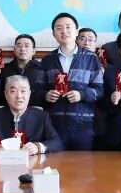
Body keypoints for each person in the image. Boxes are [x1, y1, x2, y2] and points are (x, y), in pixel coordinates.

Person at [41, 13, 104, 150]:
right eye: (59, 28)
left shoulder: (91, 58)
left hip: (83, 126)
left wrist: (82, 94)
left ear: (76, 31)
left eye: (68, 27)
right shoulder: (47, 60)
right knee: (54, 163)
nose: (64, 31)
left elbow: (99, 91)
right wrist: (46, 95)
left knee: (83, 163)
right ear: (54, 34)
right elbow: (37, 91)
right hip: (54, 126)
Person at [0, 75, 62, 154]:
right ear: (6, 95)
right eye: (13, 91)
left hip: (32, 162)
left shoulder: (42, 117)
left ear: (29, 94)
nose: (19, 96)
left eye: (23, 91)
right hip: (3, 161)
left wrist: (38, 147)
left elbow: (57, 142)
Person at [0, 34, 46, 106]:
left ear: (33, 51)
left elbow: (44, 93)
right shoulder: (3, 69)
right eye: (19, 46)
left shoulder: (43, 68)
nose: (22, 49)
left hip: (35, 110)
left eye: (27, 46)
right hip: (9, 109)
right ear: (14, 50)